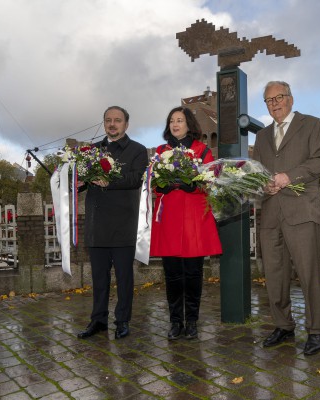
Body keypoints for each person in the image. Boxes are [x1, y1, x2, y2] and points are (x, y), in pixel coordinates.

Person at [252, 81, 320, 356]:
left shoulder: (312, 125)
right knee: (273, 274)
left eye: (279, 97)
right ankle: (283, 325)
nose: (274, 103)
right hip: (271, 212)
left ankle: (316, 330)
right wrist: (264, 185)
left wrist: (289, 176)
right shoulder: (261, 137)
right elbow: (258, 172)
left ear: (291, 98)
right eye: (268, 100)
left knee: (309, 273)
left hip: (302, 211)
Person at [150, 106, 222, 340]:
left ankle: (191, 321)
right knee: (171, 274)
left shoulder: (202, 151)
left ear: (189, 124)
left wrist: (197, 184)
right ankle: (175, 322)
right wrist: (160, 185)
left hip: (193, 218)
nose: (175, 124)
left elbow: (211, 181)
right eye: (172, 120)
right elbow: (151, 181)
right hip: (169, 217)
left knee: (192, 273)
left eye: (179, 120)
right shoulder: (161, 151)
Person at [77, 106, 148, 340]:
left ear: (126, 124)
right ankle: (98, 321)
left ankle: (123, 321)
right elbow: (84, 177)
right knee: (98, 279)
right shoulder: (91, 150)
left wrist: (109, 181)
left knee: (124, 279)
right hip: (97, 224)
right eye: (108, 120)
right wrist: (78, 183)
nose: (112, 124)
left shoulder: (137, 150)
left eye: (117, 120)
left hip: (123, 224)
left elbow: (135, 179)